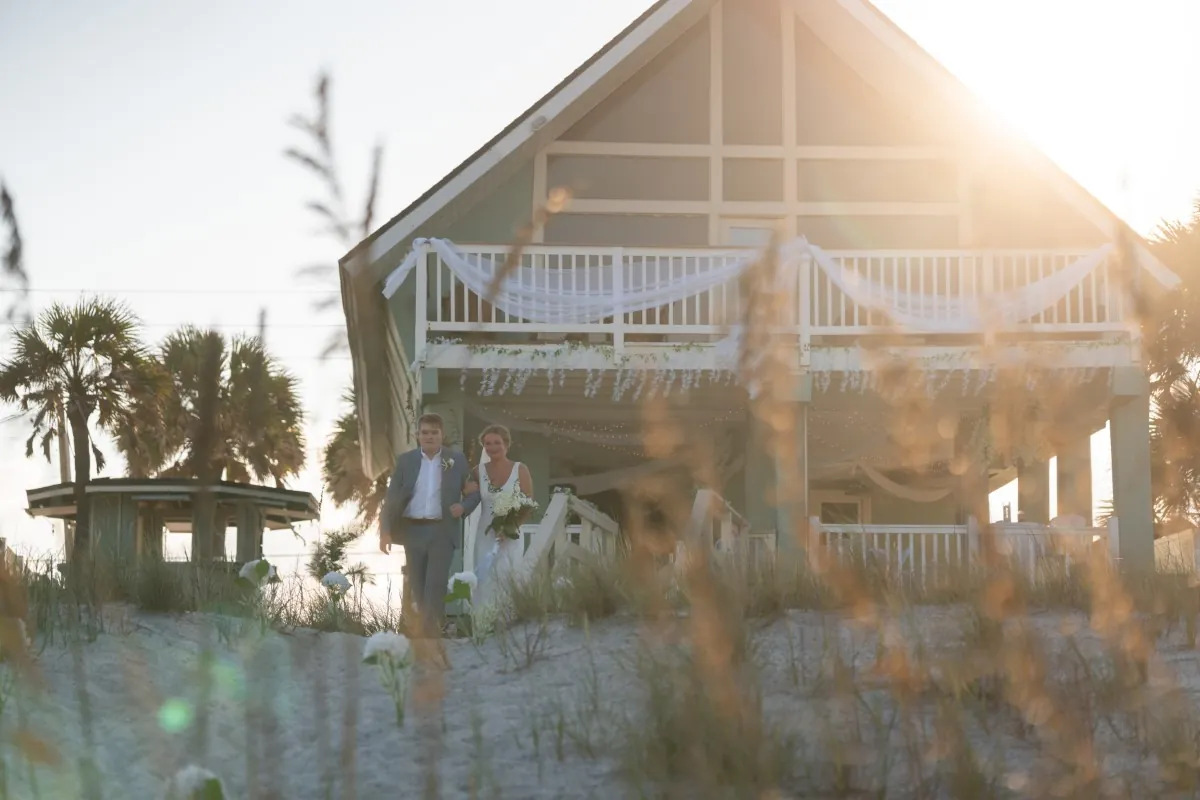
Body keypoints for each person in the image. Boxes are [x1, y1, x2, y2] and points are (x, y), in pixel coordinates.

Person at [380, 413, 480, 641]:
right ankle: (429, 633)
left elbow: (474, 493)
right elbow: (392, 498)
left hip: (442, 531)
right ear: (418, 435)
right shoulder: (406, 461)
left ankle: (430, 636)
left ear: (441, 435)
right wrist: (385, 531)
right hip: (412, 531)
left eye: (434, 432)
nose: (429, 436)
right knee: (418, 587)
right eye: (425, 432)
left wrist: (463, 507)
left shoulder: (456, 460)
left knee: (435, 585)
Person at [471, 424, 534, 607]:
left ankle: (507, 619)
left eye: (497, 442)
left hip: (511, 534)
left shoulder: (520, 469)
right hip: (485, 533)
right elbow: (469, 496)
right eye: (487, 443)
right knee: (485, 577)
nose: (492, 447)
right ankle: (483, 619)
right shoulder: (477, 471)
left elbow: (528, 504)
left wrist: (510, 527)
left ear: (506, 444)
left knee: (507, 575)